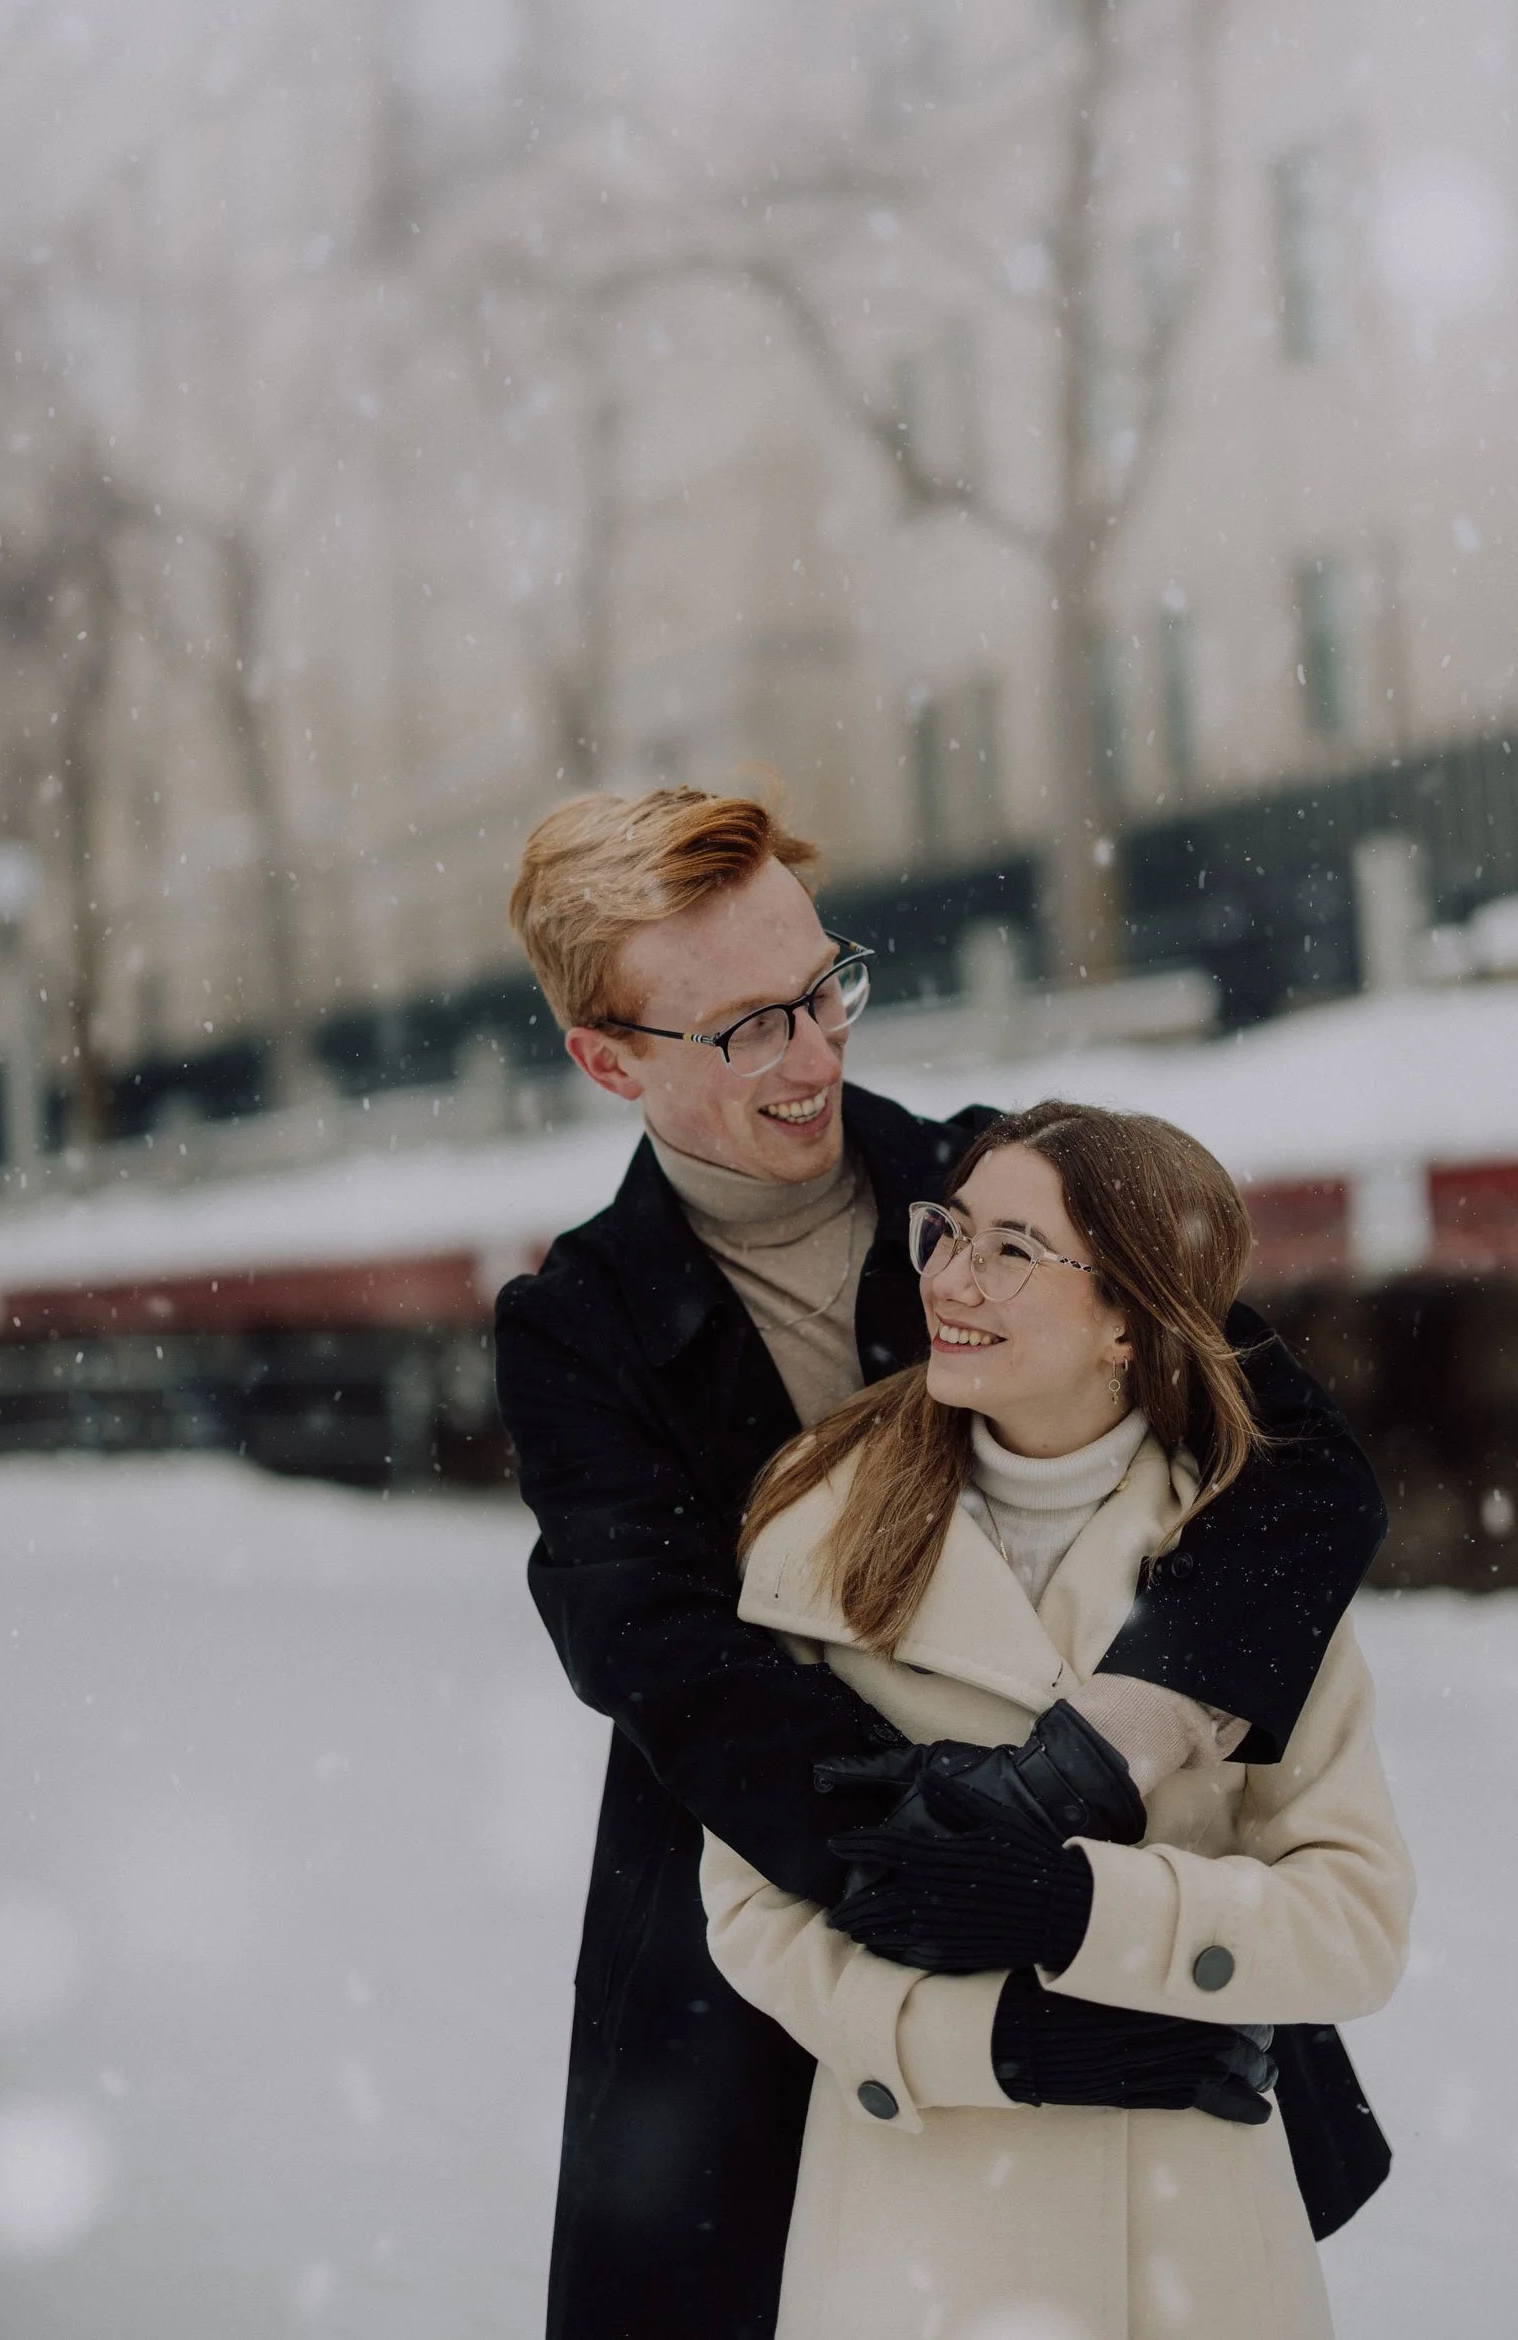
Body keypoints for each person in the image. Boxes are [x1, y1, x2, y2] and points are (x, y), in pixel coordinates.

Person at [494, 785, 1391, 2340]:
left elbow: (1298, 1473)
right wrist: (949, 1901)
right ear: (607, 1057)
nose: (814, 1052)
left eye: (821, 985)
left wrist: (1079, 1790)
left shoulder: (1011, 1191)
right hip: (751, 1943)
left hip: (1103, 1919)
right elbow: (664, 1660)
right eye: (744, 1028)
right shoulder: (575, 1330)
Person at [703, 1100, 1415, 2340]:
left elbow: (1355, 1922)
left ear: (1129, 1323)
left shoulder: (1249, 1570)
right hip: (913, 2240)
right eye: (948, 1231)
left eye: (1012, 1249)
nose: (951, 1278)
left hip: (1193, 2243)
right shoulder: (814, 1532)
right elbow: (751, 1910)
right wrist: (994, 2042)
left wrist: (1086, 1910)